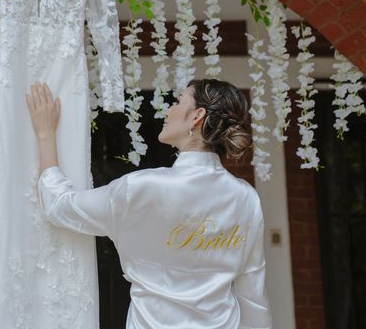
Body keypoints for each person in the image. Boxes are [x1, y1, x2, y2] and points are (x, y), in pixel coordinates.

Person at [26, 78, 272, 328]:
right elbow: (252, 297)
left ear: (196, 116)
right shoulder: (246, 198)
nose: (169, 110)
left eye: (178, 102)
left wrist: (45, 134)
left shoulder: (140, 189)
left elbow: (60, 206)